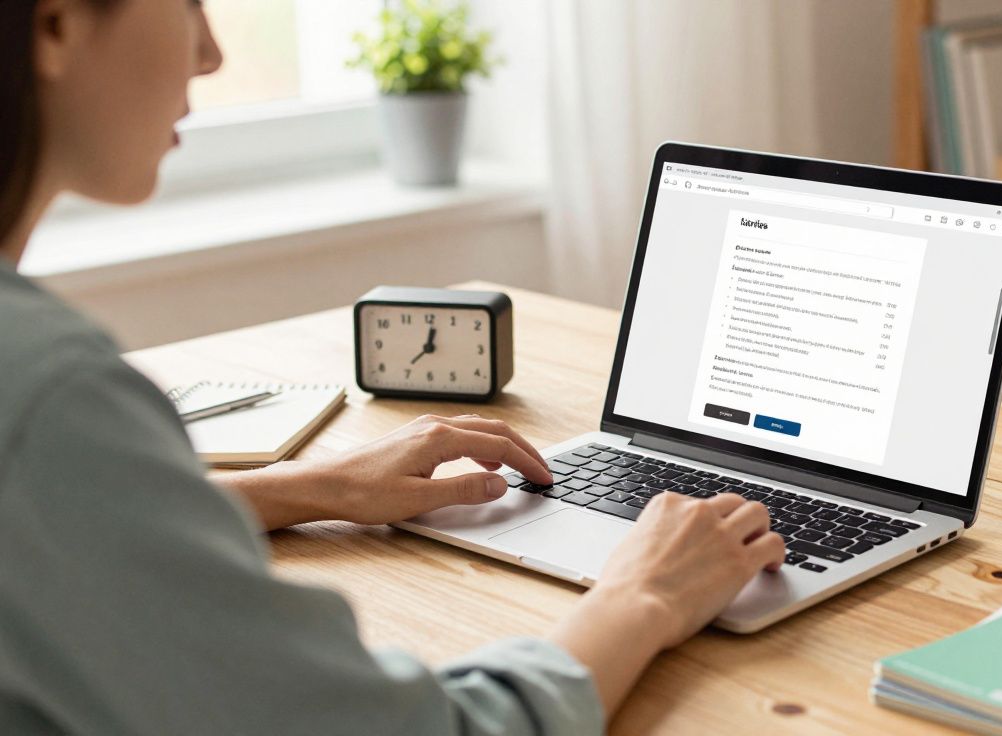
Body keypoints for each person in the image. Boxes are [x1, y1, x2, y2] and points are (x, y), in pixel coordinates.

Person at [0, 1, 786, 733]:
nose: (210, 53)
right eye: (188, 3)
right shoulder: (56, 400)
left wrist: (318, 487)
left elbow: (64, 530)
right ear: (56, 26)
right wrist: (642, 593)